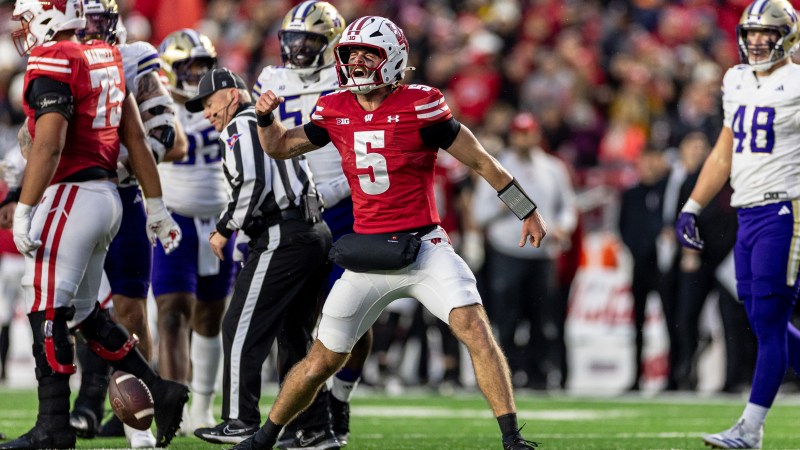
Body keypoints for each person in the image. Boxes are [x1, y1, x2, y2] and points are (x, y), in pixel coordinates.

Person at [240, 16, 546, 450]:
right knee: (320, 360)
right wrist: (266, 117)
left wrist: (525, 210)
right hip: (367, 255)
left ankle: (512, 438)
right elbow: (279, 147)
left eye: (369, 53)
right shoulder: (333, 107)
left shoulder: (421, 105)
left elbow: (480, 161)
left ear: (395, 57)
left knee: (475, 328)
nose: (358, 62)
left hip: (423, 247)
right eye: (351, 54)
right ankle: (262, 439)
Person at [2, 0, 188, 448]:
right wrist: (156, 206)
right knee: (85, 313)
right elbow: (136, 138)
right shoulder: (105, 57)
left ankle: (53, 425)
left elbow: (49, 145)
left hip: (73, 192)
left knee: (43, 305)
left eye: (27, 20)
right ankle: (160, 389)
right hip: (110, 196)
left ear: (49, 20)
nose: (22, 30)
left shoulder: (57, 57)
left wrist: (24, 208)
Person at [186, 68, 337, 449]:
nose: (206, 113)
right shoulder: (265, 122)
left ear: (231, 95)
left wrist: (224, 228)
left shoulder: (242, 123)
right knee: (294, 338)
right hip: (312, 232)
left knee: (239, 328)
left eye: (208, 103)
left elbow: (254, 182)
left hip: (282, 235)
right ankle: (315, 429)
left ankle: (240, 419)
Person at [675, 1, 800, 448]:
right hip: (746, 211)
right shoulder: (735, 79)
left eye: (767, 33)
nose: (756, 41)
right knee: (758, 315)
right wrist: (691, 205)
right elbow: (723, 152)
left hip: (785, 209)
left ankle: (751, 428)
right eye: (750, 33)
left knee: (769, 317)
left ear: (787, 35)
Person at [67, 1, 187, 446]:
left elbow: (165, 136)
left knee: (131, 308)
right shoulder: (54, 57)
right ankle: (75, 409)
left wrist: (113, 161)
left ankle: (140, 421)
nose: (89, 28)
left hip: (119, 191)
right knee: (65, 308)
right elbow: (30, 139)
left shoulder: (133, 58)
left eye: (98, 19)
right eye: (83, 18)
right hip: (72, 193)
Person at [251, 2, 370, 445]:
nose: (299, 49)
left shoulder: (348, 79)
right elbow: (264, 142)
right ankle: (309, 416)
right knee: (300, 318)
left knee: (351, 312)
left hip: (348, 206)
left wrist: (337, 190)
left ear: (332, 45)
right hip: (296, 209)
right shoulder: (270, 79)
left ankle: (339, 396)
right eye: (293, 40)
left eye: (311, 41)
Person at [156, 28, 235, 435]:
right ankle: (176, 403)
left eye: (203, 66)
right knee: (171, 314)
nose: (196, 75)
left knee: (210, 316)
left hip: (221, 220)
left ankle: (203, 407)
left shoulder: (230, 101)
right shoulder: (154, 104)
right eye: (187, 67)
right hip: (173, 218)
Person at [472, 111, 577, 390]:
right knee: (505, 320)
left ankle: (539, 374)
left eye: (529, 132)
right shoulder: (497, 167)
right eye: (520, 133)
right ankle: (506, 374)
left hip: (542, 254)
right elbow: (479, 213)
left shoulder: (553, 168)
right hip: (506, 252)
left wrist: (563, 226)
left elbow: (568, 207)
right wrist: (504, 205)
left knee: (542, 321)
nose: (524, 138)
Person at [618, 148, 669, 391]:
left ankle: (676, 376)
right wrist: (639, 250)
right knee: (637, 323)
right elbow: (623, 227)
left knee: (673, 321)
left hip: (665, 267)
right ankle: (636, 376)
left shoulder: (668, 190)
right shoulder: (631, 194)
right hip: (641, 265)